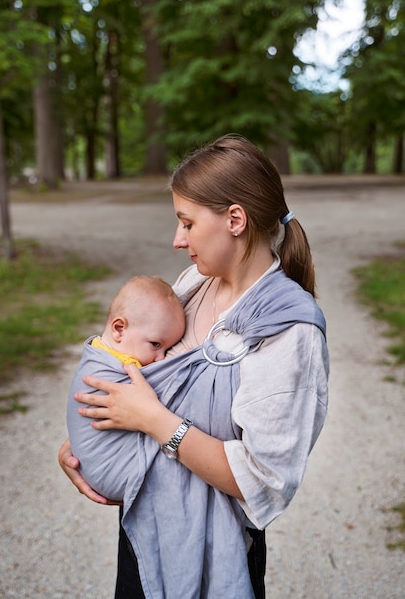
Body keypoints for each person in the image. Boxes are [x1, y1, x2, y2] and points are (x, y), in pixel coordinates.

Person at [59, 134, 330, 599]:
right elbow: (139, 378)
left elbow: (262, 478)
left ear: (235, 220)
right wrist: (90, 437)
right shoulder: (193, 285)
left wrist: (152, 421)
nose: (177, 239)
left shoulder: (290, 334)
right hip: (149, 525)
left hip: (216, 546)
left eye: (186, 223)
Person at [66, 275, 186, 501]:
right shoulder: (122, 368)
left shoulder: (100, 350)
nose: (161, 359)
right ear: (119, 329)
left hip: (94, 467)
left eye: (168, 348)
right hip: (117, 473)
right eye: (156, 345)